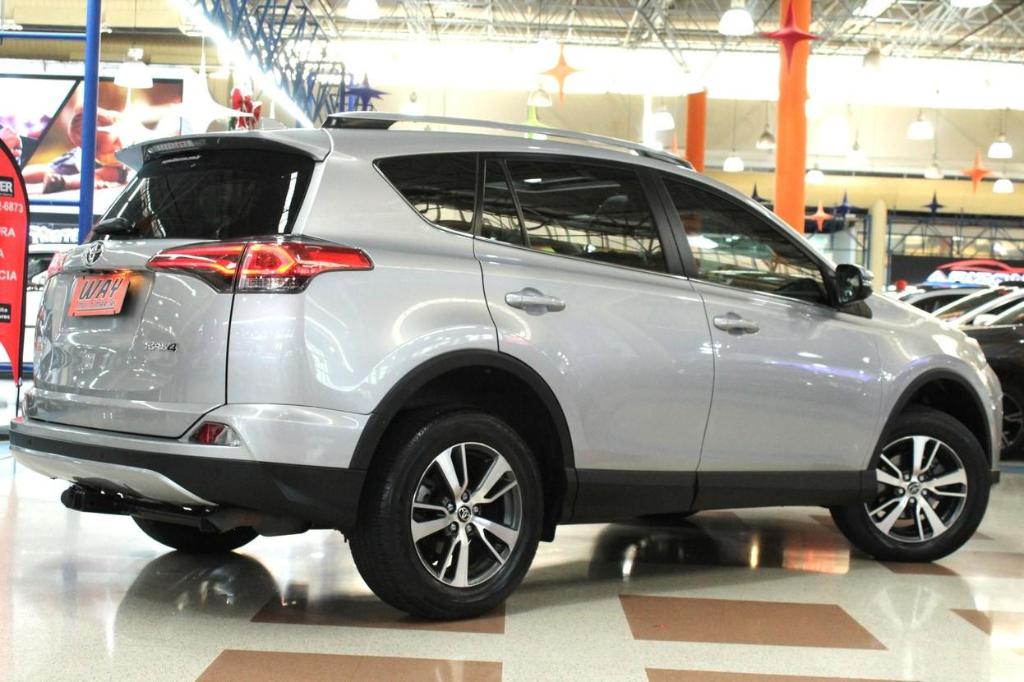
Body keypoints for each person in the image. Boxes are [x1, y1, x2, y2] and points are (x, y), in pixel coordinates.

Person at [22, 106, 127, 193]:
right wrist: (94, 179)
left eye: (116, 141)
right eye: (99, 150)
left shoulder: (123, 123)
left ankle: (62, 182)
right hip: (79, 163)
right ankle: (20, 174)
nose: (117, 148)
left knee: (115, 173)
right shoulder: (91, 156)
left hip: (112, 168)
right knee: (50, 170)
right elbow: (94, 174)